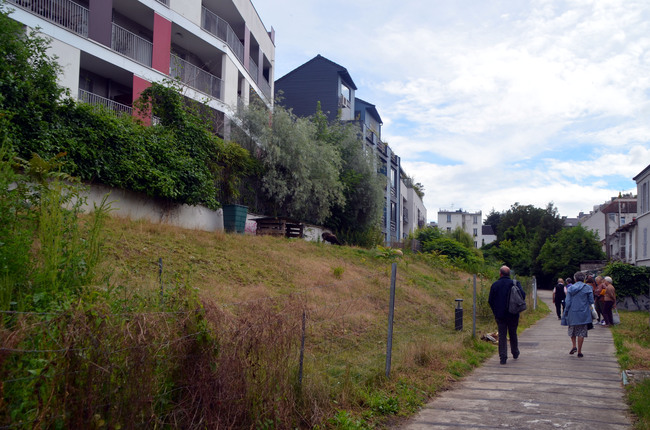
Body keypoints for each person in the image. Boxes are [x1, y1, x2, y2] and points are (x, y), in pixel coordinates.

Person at [489, 266, 526, 365]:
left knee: (502, 335)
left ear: (500, 274)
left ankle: (503, 357)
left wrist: (496, 312)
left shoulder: (495, 285)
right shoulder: (515, 283)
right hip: (513, 314)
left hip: (500, 315)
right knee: (513, 333)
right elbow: (523, 295)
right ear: (509, 274)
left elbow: (490, 300)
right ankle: (515, 352)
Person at [561, 271, 594, 358]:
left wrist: (566, 311)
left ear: (575, 279)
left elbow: (567, 302)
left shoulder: (571, 288)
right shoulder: (588, 288)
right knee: (581, 332)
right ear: (583, 279)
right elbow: (591, 301)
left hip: (572, 312)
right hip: (584, 313)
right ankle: (579, 351)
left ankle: (574, 346)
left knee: (572, 330)